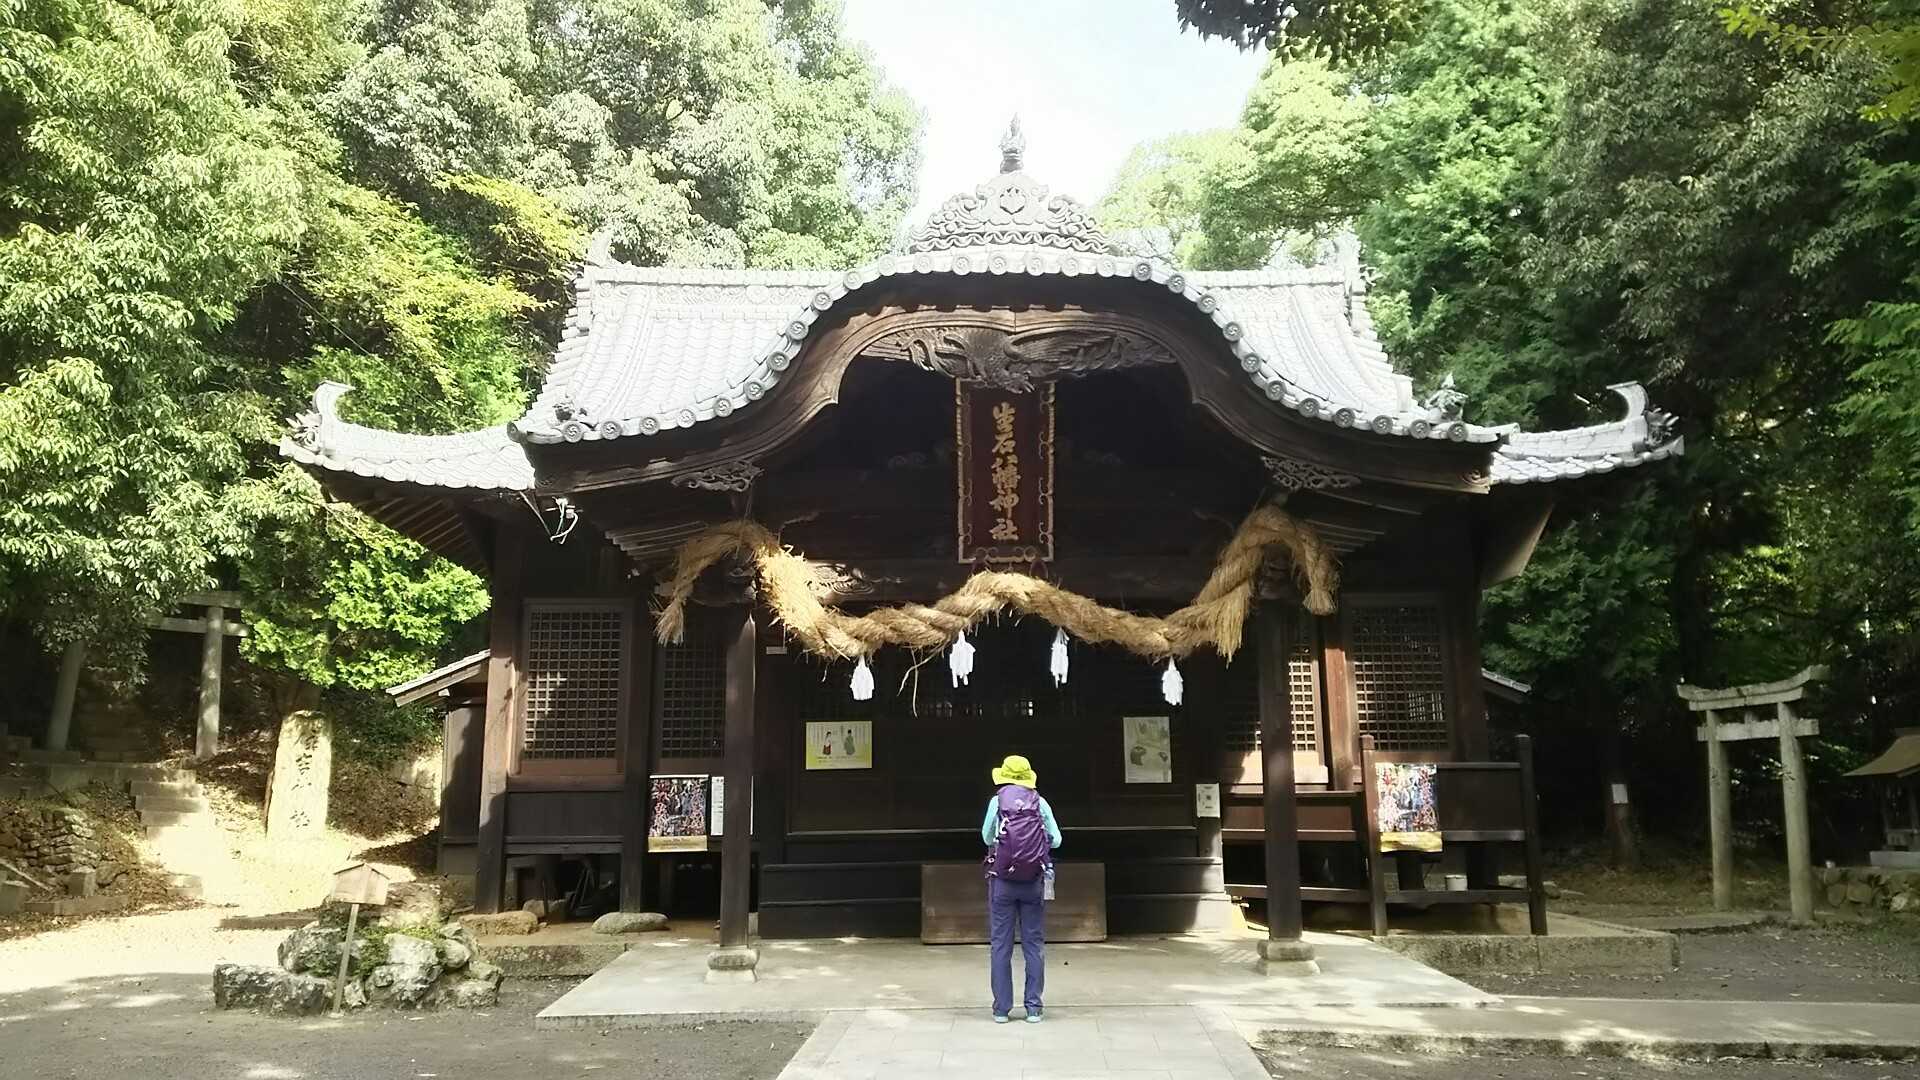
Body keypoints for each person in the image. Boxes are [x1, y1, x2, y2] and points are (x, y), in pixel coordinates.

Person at [980, 754, 1062, 1024]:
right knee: (1033, 944)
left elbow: (986, 837)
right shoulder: (1040, 802)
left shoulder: (997, 801)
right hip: (1033, 882)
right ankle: (1034, 1008)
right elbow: (1057, 840)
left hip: (1002, 881)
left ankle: (1001, 1009)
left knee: (1000, 945)